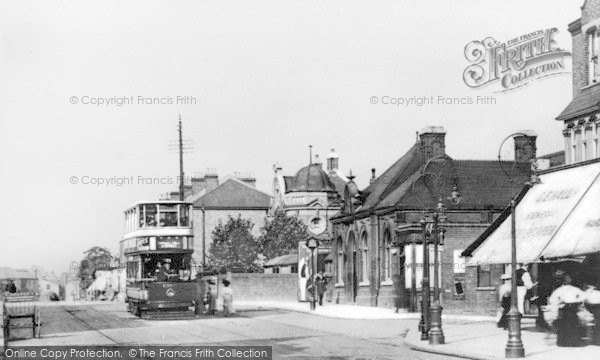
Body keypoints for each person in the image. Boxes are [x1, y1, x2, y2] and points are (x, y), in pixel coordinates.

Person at [546, 272, 585, 347]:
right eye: (566, 278)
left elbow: (583, 296)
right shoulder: (560, 289)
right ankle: (564, 342)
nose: (568, 280)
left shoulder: (575, 289)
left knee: (573, 324)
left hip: (573, 307)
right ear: (563, 280)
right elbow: (553, 299)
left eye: (569, 278)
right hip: (565, 308)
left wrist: (577, 301)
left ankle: (573, 342)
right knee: (564, 325)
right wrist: (559, 303)